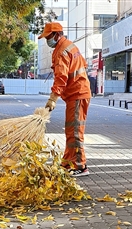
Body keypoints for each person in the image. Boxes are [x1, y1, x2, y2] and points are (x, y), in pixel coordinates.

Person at [38, 22, 91, 177]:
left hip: (78, 94)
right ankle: (68, 163)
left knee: (75, 132)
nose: (47, 40)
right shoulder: (68, 46)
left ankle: (80, 166)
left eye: (48, 37)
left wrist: (53, 98)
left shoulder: (62, 51)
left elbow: (61, 78)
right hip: (76, 94)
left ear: (57, 34)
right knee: (70, 130)